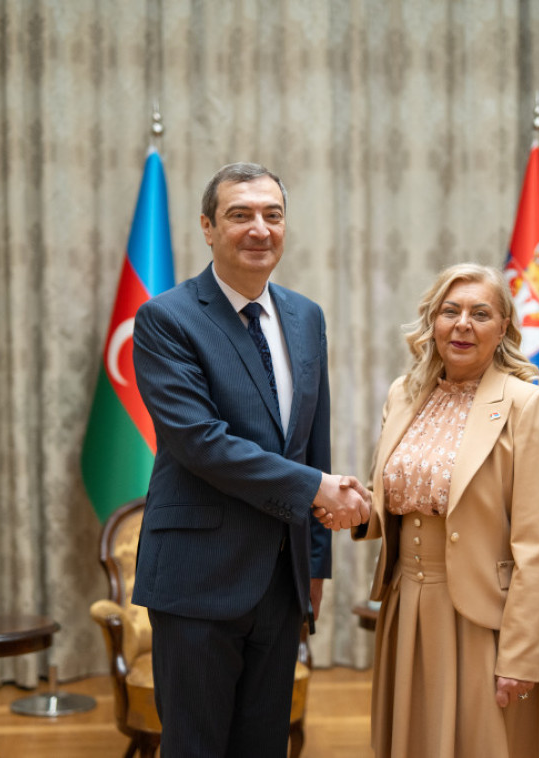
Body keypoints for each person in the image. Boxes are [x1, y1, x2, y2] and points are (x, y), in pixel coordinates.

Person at [131, 162, 370, 758]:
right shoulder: (166, 319)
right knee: (196, 747)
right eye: (240, 215)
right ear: (208, 228)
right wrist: (317, 488)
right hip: (196, 579)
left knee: (264, 746)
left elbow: (313, 442)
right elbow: (201, 441)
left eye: (272, 214)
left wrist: (316, 566)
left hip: (281, 584)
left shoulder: (306, 316)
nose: (259, 229)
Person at [356, 263, 539, 758]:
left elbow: (537, 547)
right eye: (449, 311)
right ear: (432, 322)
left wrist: (520, 654)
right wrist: (349, 508)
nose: (462, 325)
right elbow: (388, 499)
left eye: (480, 314)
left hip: (488, 618)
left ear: (503, 328)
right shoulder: (404, 395)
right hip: (407, 607)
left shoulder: (528, 406)